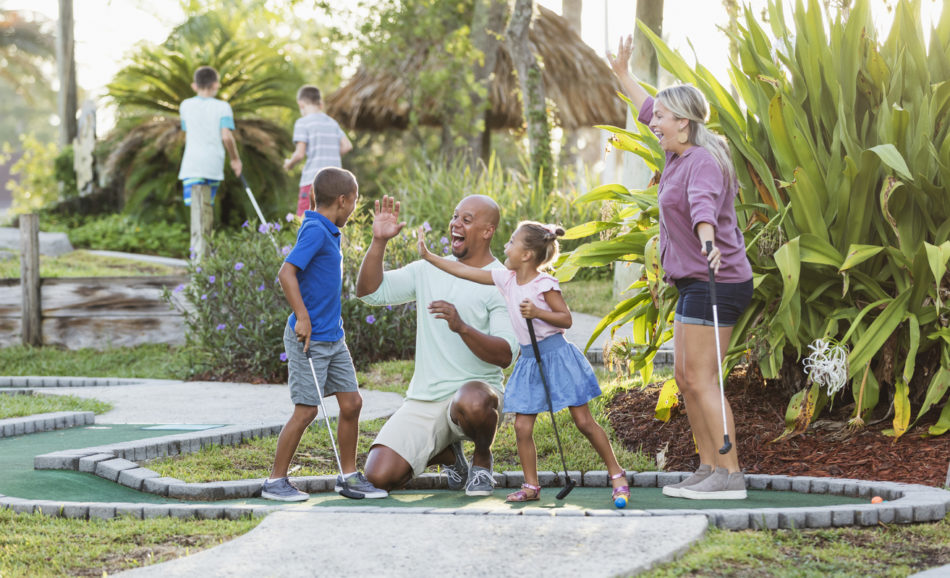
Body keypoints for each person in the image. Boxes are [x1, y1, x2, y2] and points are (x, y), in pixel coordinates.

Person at [608, 35, 754, 500]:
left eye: (665, 119)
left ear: (685, 124)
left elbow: (703, 209)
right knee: (686, 379)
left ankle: (730, 476)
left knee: (703, 378)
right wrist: (622, 74)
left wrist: (709, 243)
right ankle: (708, 466)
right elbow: (646, 105)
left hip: (718, 278)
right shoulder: (677, 151)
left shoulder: (704, 163)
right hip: (694, 281)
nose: (656, 123)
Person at [417, 221, 631, 505]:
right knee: (522, 428)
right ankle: (531, 485)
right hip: (530, 361)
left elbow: (565, 319)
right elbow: (466, 271)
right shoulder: (506, 278)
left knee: (583, 422)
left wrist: (538, 311)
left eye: (512, 243)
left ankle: (617, 474)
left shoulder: (545, 284)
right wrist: (430, 257)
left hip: (557, 357)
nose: (506, 246)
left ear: (527, 254)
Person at [355, 195, 519, 496]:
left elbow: (505, 355)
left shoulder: (502, 282)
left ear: (487, 231)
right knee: (378, 476)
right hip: (425, 399)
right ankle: (449, 456)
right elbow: (368, 292)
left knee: (471, 399)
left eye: (466, 220)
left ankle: (482, 462)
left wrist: (462, 328)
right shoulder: (427, 269)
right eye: (455, 217)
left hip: (476, 397)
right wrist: (378, 241)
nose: (455, 224)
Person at [261, 167, 387, 501]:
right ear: (343, 200)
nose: (354, 209)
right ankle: (275, 481)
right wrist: (302, 316)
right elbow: (286, 273)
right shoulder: (316, 229)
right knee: (306, 411)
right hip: (309, 338)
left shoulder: (328, 229)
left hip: (333, 337)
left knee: (352, 403)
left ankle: (347, 477)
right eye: (355, 202)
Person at [283, 85, 353, 217]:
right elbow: (347, 145)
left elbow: (299, 154)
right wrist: (330, 154)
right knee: (334, 223)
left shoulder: (302, 123)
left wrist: (289, 164)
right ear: (320, 104)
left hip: (312, 180)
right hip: (336, 182)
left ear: (301, 104)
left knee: (305, 220)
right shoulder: (332, 123)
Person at [178, 66, 242, 206]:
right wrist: (235, 159)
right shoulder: (223, 107)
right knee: (205, 208)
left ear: (194, 86)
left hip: (192, 165)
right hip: (213, 165)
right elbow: (226, 137)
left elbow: (186, 134)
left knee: (196, 209)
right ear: (216, 85)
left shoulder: (185, 106)